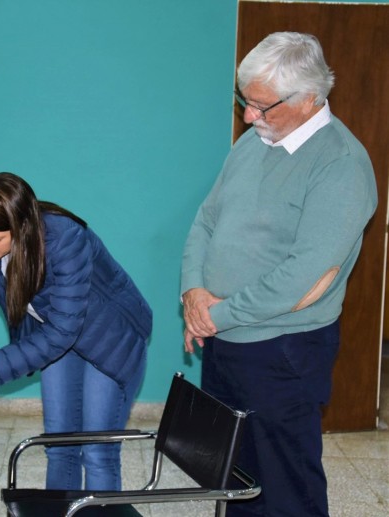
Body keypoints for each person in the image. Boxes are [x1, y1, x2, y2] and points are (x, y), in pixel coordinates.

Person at [181, 32, 377, 516]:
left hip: (282, 353)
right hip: (225, 340)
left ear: (310, 98)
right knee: (236, 479)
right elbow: (207, 218)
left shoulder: (342, 165)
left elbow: (305, 279)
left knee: (287, 485)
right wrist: (194, 292)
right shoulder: (255, 141)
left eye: (261, 106)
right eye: (244, 101)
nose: (249, 116)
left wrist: (217, 315)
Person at [0, 172, 152, 491]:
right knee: (59, 445)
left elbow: (62, 331)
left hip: (109, 338)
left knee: (97, 449)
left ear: (21, 229)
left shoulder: (65, 238)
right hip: (55, 336)